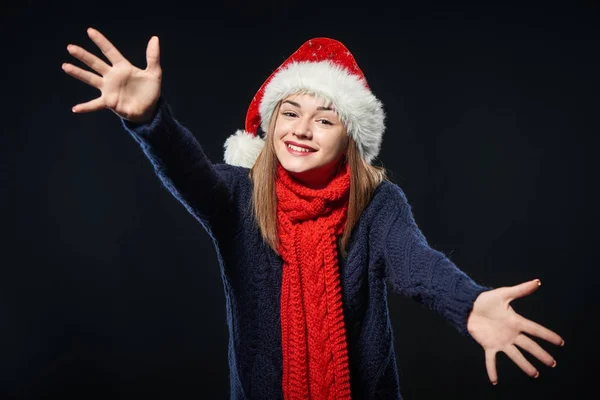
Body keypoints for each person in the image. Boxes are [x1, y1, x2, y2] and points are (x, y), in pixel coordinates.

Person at [62, 28, 564, 399]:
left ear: (350, 137)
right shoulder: (238, 194)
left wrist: (469, 304)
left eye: (325, 119)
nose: (302, 130)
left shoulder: (378, 203)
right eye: (290, 112)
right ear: (271, 120)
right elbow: (187, 170)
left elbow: (417, 265)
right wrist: (152, 120)